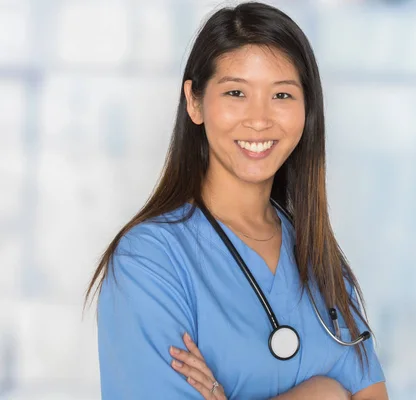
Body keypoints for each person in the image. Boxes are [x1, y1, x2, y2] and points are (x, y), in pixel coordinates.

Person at [85, 2, 388, 399]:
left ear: (307, 108)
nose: (259, 119)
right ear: (194, 102)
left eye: (281, 94)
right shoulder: (149, 261)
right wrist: (322, 393)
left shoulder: (320, 260)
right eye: (236, 92)